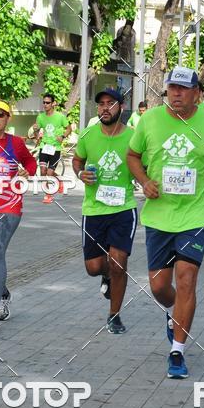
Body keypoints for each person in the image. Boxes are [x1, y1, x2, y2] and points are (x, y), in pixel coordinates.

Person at [127, 66, 204, 380]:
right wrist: (143, 181)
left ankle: (177, 351)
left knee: (187, 280)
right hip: (158, 216)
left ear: (197, 92)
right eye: (172, 88)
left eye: (183, 89)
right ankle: (173, 313)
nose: (176, 94)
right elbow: (132, 155)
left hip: (195, 216)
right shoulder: (150, 120)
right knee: (158, 286)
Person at [73, 88, 137, 334]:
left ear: (121, 107)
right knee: (93, 267)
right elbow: (77, 160)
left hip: (123, 208)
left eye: (110, 103)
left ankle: (114, 315)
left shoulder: (133, 136)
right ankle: (107, 277)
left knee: (119, 262)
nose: (105, 108)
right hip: (94, 209)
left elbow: (144, 162)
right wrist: (80, 174)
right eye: (101, 104)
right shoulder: (88, 134)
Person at [0, 100, 37, 331]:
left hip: (10, 204)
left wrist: (27, 171)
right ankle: (2, 293)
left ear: (7, 118)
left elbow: (31, 162)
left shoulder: (16, 143)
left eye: (0, 115)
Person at [35, 93, 72, 204]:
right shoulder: (40, 117)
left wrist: (63, 136)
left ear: (53, 103)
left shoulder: (60, 117)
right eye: (44, 102)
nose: (45, 105)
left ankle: (50, 192)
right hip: (44, 146)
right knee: (43, 171)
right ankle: (48, 193)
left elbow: (69, 128)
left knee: (50, 173)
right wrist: (36, 130)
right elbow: (37, 135)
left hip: (55, 148)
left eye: (48, 102)